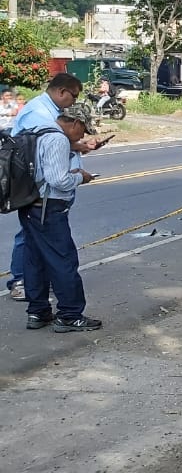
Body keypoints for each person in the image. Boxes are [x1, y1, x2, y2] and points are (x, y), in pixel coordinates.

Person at [7, 74, 102, 302]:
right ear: (61, 91)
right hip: (44, 196)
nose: (73, 101)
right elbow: (47, 161)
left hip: (44, 195)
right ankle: (61, 307)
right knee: (55, 255)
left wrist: (78, 146)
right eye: (74, 96)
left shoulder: (52, 117)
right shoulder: (38, 113)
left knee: (37, 250)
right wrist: (79, 177)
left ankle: (37, 304)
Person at [22, 102, 101, 332]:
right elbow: (58, 179)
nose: (83, 135)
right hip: (50, 206)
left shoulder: (39, 130)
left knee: (35, 260)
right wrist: (80, 177)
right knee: (63, 260)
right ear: (75, 123)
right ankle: (70, 314)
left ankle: (37, 312)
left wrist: (76, 148)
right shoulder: (57, 139)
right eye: (83, 130)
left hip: (29, 203)